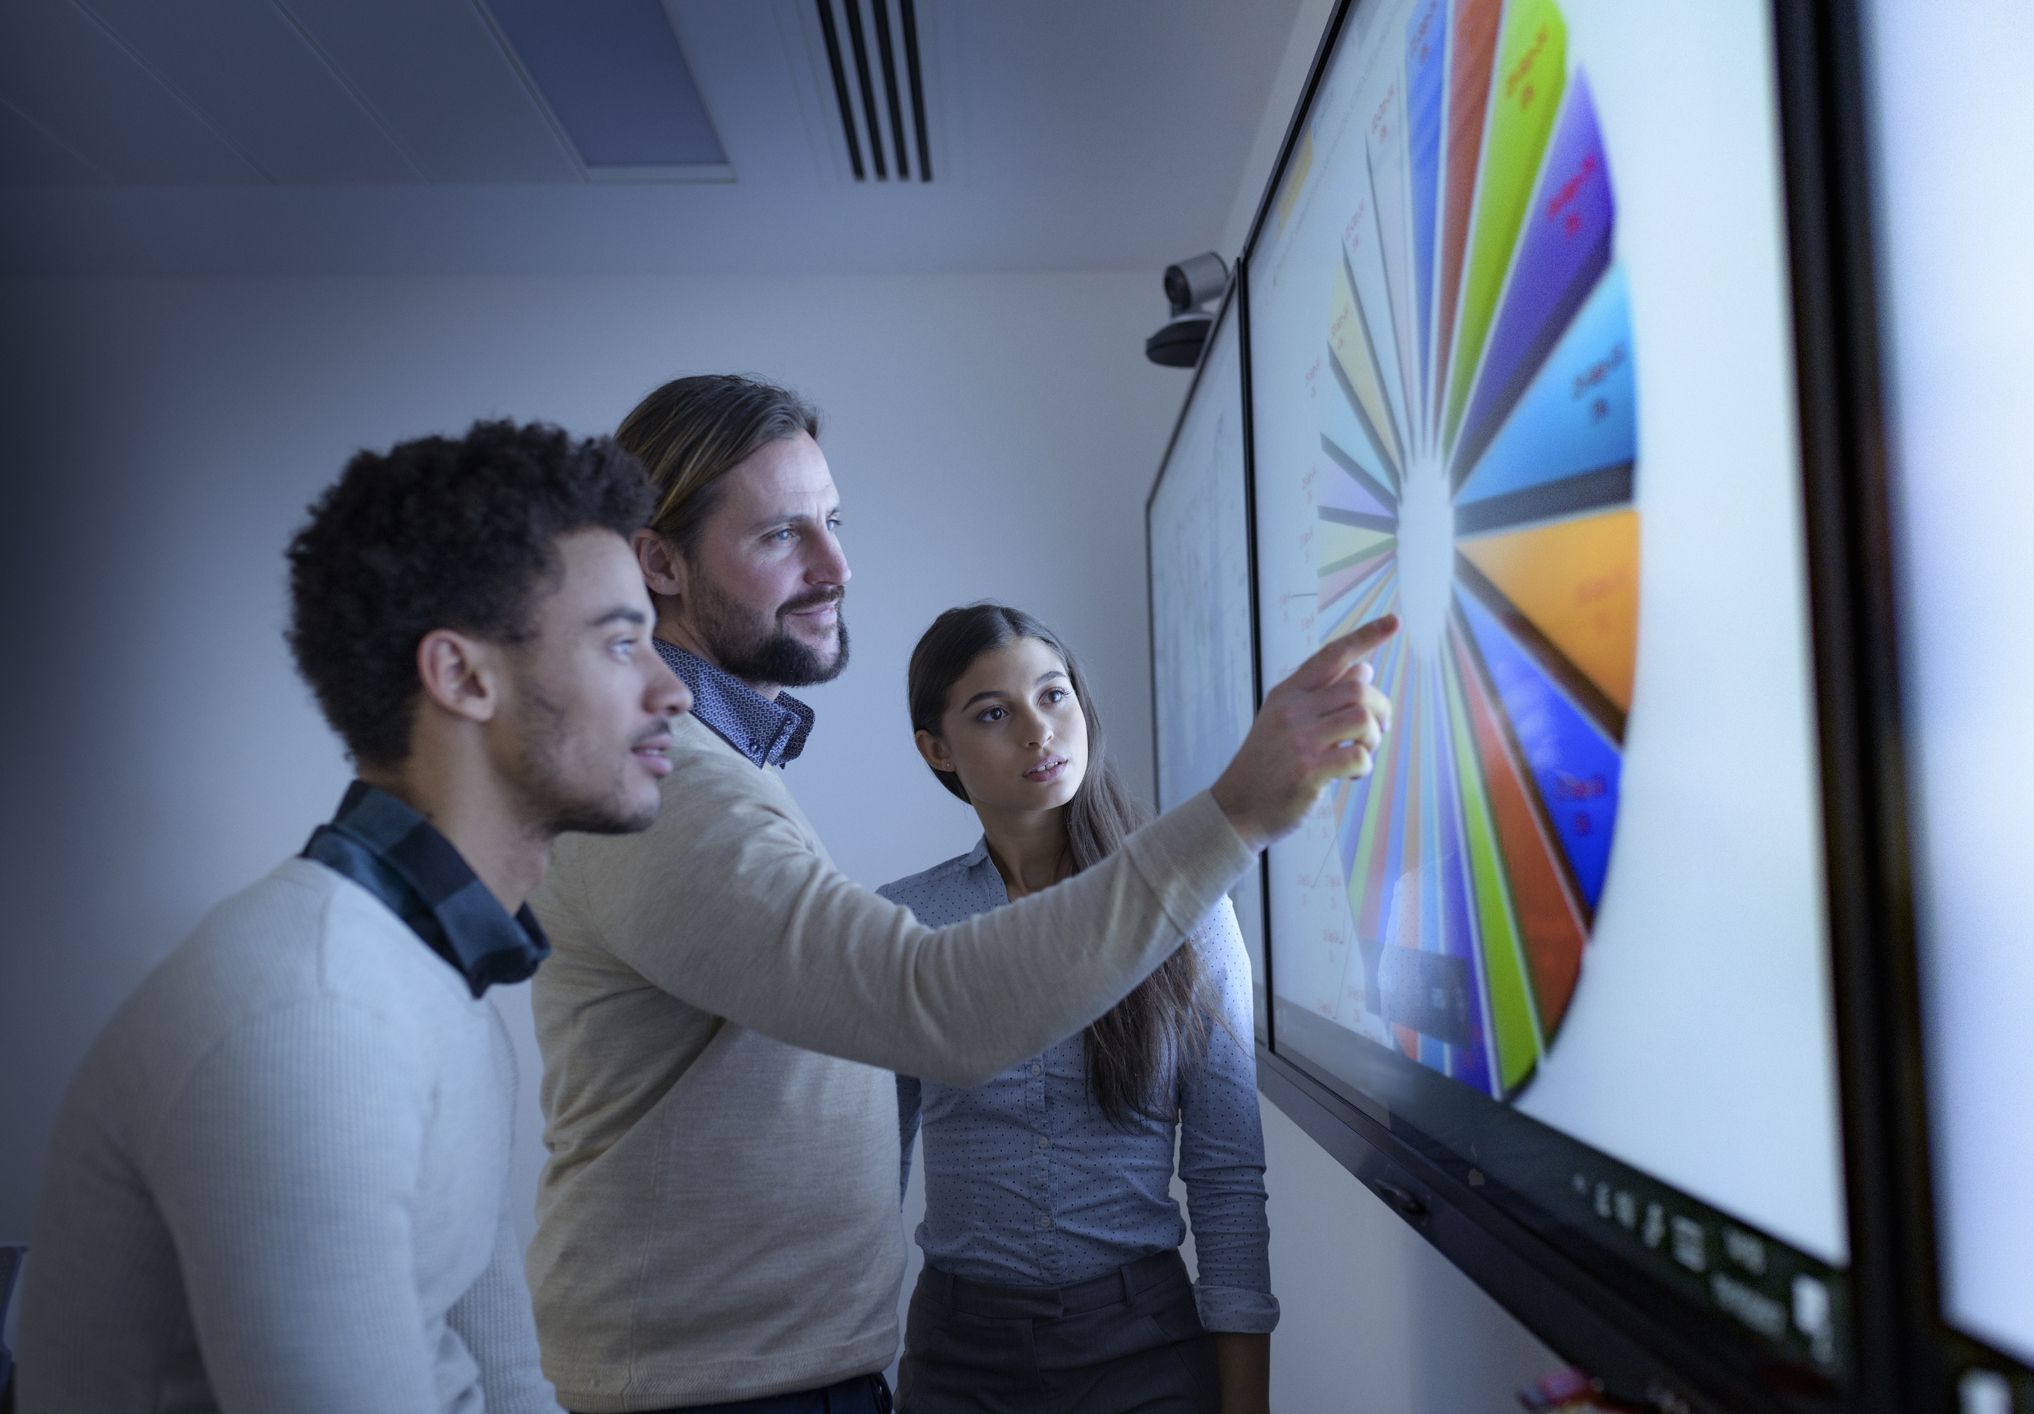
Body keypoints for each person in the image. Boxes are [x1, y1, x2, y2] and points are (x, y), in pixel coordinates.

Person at [526, 374, 1394, 1413]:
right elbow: (934, 1006)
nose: (838, 567)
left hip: (832, 1374)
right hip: (748, 1389)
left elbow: (1222, 1175)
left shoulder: (721, 771)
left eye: (835, 524)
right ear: (658, 561)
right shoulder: (667, 782)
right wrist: (1239, 810)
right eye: (781, 537)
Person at [19, 421, 691, 1413]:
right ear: (463, 676)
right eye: (622, 642)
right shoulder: (311, 1014)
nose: (672, 690)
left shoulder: (434, 977)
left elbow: (502, 1374)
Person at [884, 604, 1275, 1414]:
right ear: (936, 750)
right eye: (993, 713)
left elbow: (1227, 1177)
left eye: (1053, 695)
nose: (1038, 731)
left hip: (1145, 1347)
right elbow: (865, 1179)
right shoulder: (904, 924)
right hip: (957, 1355)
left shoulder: (1185, 907)